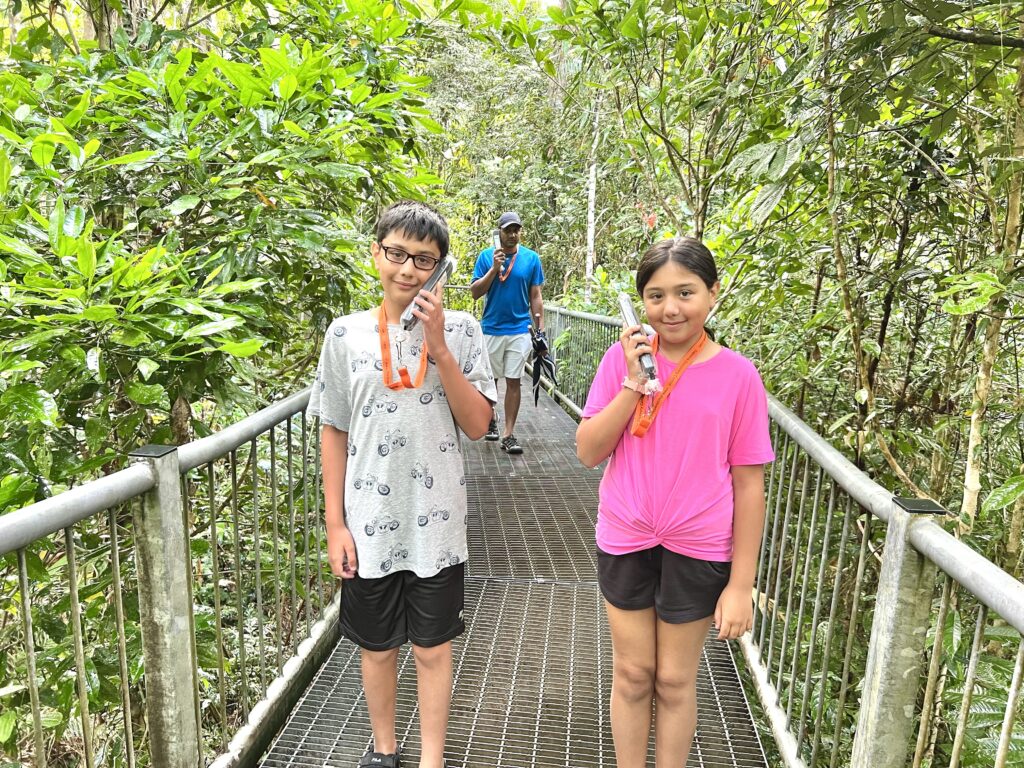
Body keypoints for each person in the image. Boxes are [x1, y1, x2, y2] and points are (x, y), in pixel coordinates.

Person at [307, 201, 496, 768]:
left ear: (439, 269)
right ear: (376, 254)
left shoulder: (462, 331)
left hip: (437, 524)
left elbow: (479, 424)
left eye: (424, 259)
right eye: (397, 254)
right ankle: (384, 751)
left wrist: (439, 347)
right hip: (368, 525)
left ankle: (432, 760)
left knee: (433, 649)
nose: (408, 269)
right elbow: (334, 429)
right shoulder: (345, 335)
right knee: (377, 647)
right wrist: (336, 523)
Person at [575, 237, 774, 768]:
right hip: (626, 536)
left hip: (701, 547)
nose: (670, 308)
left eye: (685, 292)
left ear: (712, 293)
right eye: (656, 295)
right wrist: (631, 384)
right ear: (641, 302)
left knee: (674, 679)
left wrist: (740, 584)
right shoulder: (623, 361)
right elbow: (589, 450)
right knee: (634, 673)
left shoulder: (739, 376)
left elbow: (749, 484)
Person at [470, 211, 545, 455]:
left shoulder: (531, 259)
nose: (512, 234)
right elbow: (475, 292)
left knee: (514, 381)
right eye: (507, 230)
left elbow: (536, 296)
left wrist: (540, 329)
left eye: (516, 230)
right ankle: (490, 418)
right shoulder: (485, 256)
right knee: (490, 379)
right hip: (491, 327)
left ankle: (508, 434)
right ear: (499, 232)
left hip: (520, 329)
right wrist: (494, 268)